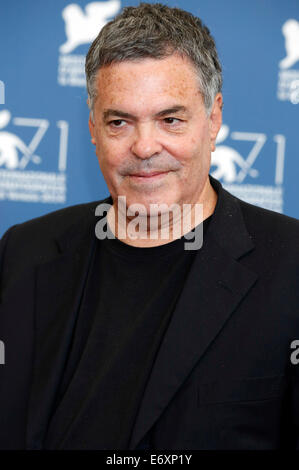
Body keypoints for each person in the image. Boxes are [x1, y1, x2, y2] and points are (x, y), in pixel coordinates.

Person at [0, 2, 299, 450]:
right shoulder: (24, 250)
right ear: (93, 128)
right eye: (119, 122)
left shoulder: (291, 265)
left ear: (214, 119)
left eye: (170, 120)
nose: (144, 147)